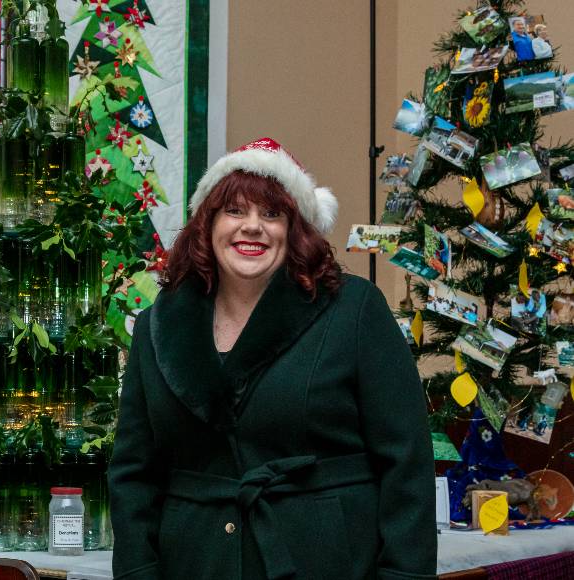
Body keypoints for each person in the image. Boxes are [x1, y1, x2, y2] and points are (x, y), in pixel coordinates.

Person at [109, 137, 436, 579]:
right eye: (235, 211)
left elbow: (407, 461)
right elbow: (133, 474)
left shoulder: (354, 310)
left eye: (272, 214)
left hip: (327, 562)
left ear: (295, 230)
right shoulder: (157, 326)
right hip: (195, 563)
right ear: (207, 224)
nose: (252, 227)